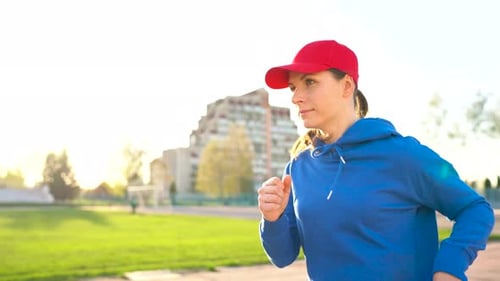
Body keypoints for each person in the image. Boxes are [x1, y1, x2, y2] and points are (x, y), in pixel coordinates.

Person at [257, 39, 495, 281]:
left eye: (310, 82)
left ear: (347, 86)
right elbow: (283, 256)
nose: (296, 97)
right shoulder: (298, 168)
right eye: (293, 87)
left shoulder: (402, 156)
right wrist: (272, 218)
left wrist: (449, 268)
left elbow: (474, 209)